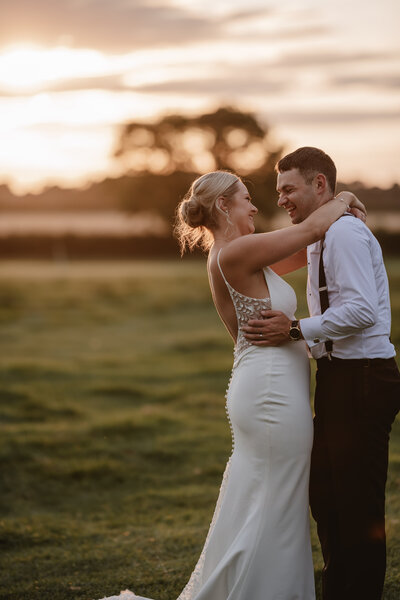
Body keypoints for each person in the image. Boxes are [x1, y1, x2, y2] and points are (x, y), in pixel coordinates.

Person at [98, 170, 365, 600]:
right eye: (246, 199)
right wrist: (345, 195)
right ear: (224, 205)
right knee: (277, 502)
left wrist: (340, 226)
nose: (255, 206)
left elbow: (306, 249)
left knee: (271, 499)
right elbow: (313, 228)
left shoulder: (240, 254)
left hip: (267, 388)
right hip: (271, 396)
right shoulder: (235, 253)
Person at [242, 147, 400, 600]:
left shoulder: (346, 234)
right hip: (337, 379)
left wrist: (294, 330)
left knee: (356, 505)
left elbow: (361, 311)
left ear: (319, 185)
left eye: (289, 189)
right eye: (278, 191)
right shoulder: (318, 233)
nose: (282, 199)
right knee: (328, 499)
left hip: (364, 378)